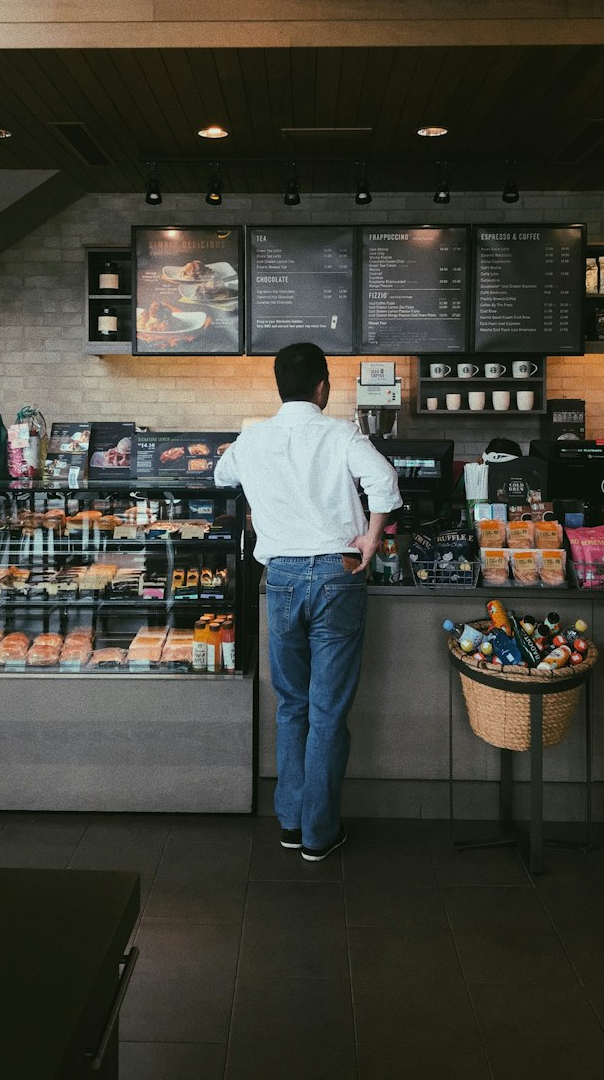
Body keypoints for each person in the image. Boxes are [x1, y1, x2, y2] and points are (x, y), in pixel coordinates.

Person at [214, 342, 402, 861]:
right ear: (323, 387)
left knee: (292, 705)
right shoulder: (341, 433)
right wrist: (372, 537)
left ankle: (291, 822)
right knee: (326, 711)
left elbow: (220, 476)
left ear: (279, 387)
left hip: (281, 579)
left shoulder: (253, 439)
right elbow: (384, 482)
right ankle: (318, 834)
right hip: (337, 579)